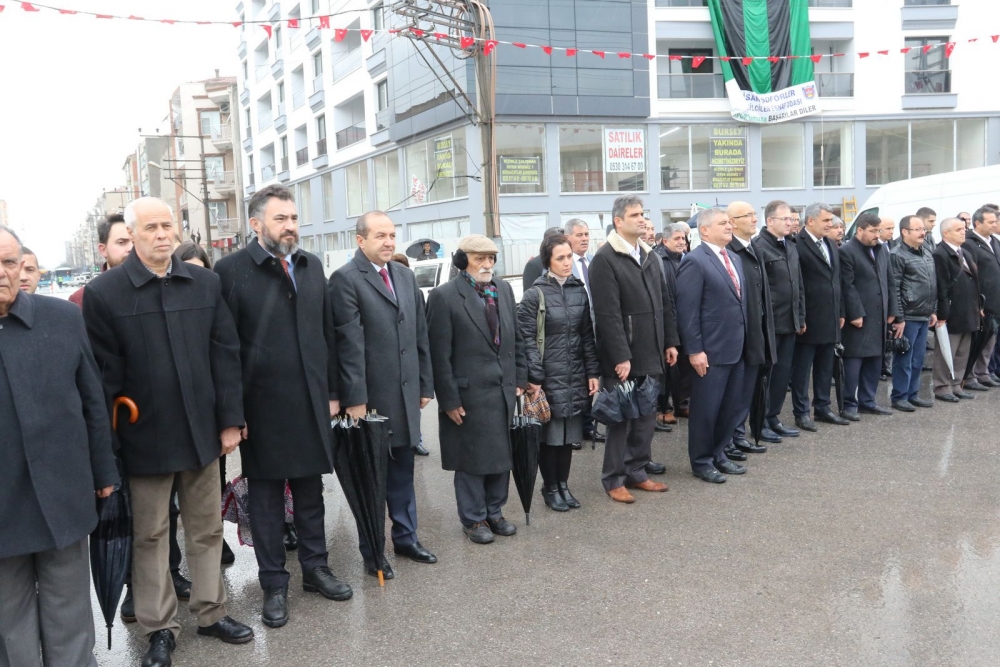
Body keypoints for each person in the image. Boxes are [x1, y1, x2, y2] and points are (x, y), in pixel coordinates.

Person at [83, 197, 253, 667]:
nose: (161, 234)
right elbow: (102, 378)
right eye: (151, 227)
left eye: (167, 226)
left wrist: (230, 422)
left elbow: (225, 355)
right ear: (131, 235)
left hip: (202, 432)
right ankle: (159, 627)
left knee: (206, 528)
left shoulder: (205, 282)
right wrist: (110, 446)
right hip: (143, 437)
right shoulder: (105, 294)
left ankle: (212, 611)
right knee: (152, 535)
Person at [215, 185, 351, 631]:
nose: (291, 226)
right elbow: (224, 349)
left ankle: (316, 569)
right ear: (256, 225)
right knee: (269, 503)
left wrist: (334, 392)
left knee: (311, 493)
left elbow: (328, 335)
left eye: (294, 218)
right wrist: (233, 416)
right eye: (280, 219)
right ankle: (274, 583)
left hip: (311, 402)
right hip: (262, 410)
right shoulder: (230, 271)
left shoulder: (312, 267)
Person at [0, 225, 119, 667]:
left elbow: (93, 401)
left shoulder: (62, 319)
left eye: (10, 262)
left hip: (62, 490)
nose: (3, 273)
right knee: (9, 621)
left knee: (68, 609)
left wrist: (104, 473)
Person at [330, 210, 438, 572]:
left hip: (406, 395)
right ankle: (374, 552)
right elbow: (349, 345)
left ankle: (407, 538)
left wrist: (425, 383)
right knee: (371, 479)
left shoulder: (405, 276)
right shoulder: (345, 280)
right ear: (360, 240)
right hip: (371, 401)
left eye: (392, 235)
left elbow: (420, 334)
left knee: (403, 473)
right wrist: (355, 400)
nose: (389, 242)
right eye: (380, 236)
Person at [427, 235, 527, 543]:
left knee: (501, 456)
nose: (487, 264)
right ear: (462, 261)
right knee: (472, 459)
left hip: (503, 389)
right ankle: (473, 519)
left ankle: (494, 512)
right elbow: (438, 353)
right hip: (467, 394)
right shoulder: (444, 296)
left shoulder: (504, 290)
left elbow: (517, 339)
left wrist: (521, 378)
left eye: (491, 259)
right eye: (479, 258)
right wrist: (448, 400)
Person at [589, 195, 678, 502]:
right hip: (624, 355)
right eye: (635, 215)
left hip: (652, 349)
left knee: (645, 416)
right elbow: (607, 314)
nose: (642, 219)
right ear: (618, 221)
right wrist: (620, 356)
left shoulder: (649, 255)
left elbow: (664, 303)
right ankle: (613, 479)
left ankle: (637, 471)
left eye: (643, 214)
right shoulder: (605, 259)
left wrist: (670, 341)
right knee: (620, 418)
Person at [518, 234, 599, 511]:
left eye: (568, 257)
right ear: (548, 262)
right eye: (560, 258)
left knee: (568, 436)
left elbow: (587, 335)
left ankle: (563, 485)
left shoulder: (579, 290)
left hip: (574, 373)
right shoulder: (534, 293)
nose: (567, 263)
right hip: (548, 376)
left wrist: (592, 372)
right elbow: (527, 337)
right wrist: (534, 377)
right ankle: (549, 486)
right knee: (549, 436)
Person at [676, 208, 749, 483]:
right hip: (710, 351)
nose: (729, 226)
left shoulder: (733, 258)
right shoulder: (695, 261)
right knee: (706, 411)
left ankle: (719, 454)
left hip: (736, 348)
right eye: (723, 223)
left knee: (729, 408)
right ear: (704, 230)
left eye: (730, 222)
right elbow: (688, 311)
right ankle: (702, 461)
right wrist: (695, 350)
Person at [726, 201, 777, 455]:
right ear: (732, 222)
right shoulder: (729, 250)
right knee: (735, 390)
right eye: (748, 215)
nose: (755, 219)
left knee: (748, 388)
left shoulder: (753, 247)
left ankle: (739, 434)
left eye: (754, 214)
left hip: (757, 329)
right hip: (739, 334)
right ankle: (730, 438)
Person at [791, 202, 848, 431]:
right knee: (802, 370)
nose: (831, 224)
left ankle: (823, 407)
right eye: (826, 220)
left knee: (825, 367)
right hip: (809, 319)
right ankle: (802, 412)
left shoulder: (830, 244)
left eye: (831, 220)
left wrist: (841, 310)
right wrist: (801, 317)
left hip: (831, 317)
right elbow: (797, 284)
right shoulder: (796, 244)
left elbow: (837, 280)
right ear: (811, 221)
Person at [838, 213, 900, 419]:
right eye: (873, 231)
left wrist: (893, 310)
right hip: (859, 316)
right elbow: (847, 285)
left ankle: (868, 401)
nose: (877, 235)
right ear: (860, 230)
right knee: (854, 361)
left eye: (878, 231)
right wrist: (855, 312)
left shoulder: (881, 249)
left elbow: (890, 281)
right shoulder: (847, 251)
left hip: (880, 314)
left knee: (875, 360)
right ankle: (848, 403)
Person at [753, 201, 805, 439]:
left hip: (790, 321)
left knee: (783, 373)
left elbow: (798, 285)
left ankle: (773, 417)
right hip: (771, 324)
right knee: (767, 375)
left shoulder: (791, 246)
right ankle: (760, 421)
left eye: (792, 219)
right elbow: (758, 291)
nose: (790, 222)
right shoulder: (759, 247)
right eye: (785, 219)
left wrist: (801, 316)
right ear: (770, 221)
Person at [889, 215, 937, 411]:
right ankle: (899, 396)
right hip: (908, 316)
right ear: (904, 232)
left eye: (922, 229)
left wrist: (933, 310)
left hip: (924, 314)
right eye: (917, 229)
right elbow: (895, 288)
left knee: (918, 359)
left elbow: (932, 283)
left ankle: (912, 393)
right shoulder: (897, 255)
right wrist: (899, 318)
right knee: (904, 358)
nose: (922, 232)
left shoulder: (926, 251)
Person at [932, 217, 981, 402]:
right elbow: (942, 287)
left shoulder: (964, 252)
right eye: (959, 229)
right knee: (947, 351)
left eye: (964, 228)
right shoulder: (940, 254)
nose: (964, 231)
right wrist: (943, 314)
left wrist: (979, 307)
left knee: (962, 352)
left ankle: (956, 384)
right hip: (951, 313)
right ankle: (943, 386)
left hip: (968, 309)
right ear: (946, 233)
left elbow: (974, 282)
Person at [391, 251, 432, 457]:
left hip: (411, 365)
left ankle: (418, 439)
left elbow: (421, 331)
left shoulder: (414, 290)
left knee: (413, 410)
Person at [564, 218, 601, 444]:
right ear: (568, 237)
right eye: (579, 235)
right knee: (575, 380)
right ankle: (575, 429)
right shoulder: (564, 265)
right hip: (573, 331)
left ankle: (588, 425)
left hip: (595, 329)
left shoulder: (594, 262)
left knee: (592, 377)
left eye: (586, 234)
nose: (584, 238)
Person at [960, 206, 1000, 389]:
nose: (994, 225)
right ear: (978, 223)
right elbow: (971, 275)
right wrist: (977, 302)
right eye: (990, 222)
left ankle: (983, 373)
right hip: (982, 301)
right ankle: (970, 376)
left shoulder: (993, 241)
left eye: (995, 221)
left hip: (995, 300)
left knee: (989, 340)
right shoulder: (970, 243)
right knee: (977, 341)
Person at [658, 223, 692, 423]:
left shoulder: (687, 260)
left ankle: (683, 404)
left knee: (685, 368)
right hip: (668, 321)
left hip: (686, 321)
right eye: (677, 239)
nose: (681, 242)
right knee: (667, 370)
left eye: (683, 239)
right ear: (665, 241)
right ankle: (664, 408)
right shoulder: (660, 260)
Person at [69, 213, 133, 306]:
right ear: (103, 249)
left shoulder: (156, 289)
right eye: (121, 242)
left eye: (135, 242)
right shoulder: (83, 299)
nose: (131, 248)